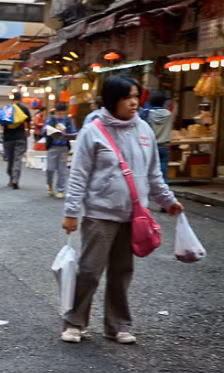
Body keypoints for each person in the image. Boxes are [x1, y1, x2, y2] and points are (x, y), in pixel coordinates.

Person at [60, 75, 183, 345]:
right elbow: (78, 175)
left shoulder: (144, 130)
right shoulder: (92, 131)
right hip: (100, 215)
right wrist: (71, 212)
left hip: (133, 216)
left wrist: (168, 200)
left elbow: (154, 174)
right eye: (127, 97)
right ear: (112, 100)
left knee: (122, 271)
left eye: (136, 97)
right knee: (89, 271)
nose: (133, 102)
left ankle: (117, 325)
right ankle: (75, 322)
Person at [44, 102, 77, 199]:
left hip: (64, 148)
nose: (60, 115)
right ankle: (49, 185)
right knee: (50, 169)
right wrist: (47, 131)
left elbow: (73, 132)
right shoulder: (51, 120)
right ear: (55, 112)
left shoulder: (67, 121)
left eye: (62, 113)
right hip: (52, 147)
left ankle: (60, 190)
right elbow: (44, 131)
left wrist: (69, 135)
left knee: (62, 170)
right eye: (59, 113)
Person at [141, 91, 172, 185]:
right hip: (164, 145)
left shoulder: (147, 114)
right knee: (163, 169)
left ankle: (150, 187)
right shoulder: (168, 114)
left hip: (150, 145)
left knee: (149, 170)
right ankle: (163, 186)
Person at [2, 92, 30, 189]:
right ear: (21, 99)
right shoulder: (25, 109)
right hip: (20, 137)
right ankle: (15, 179)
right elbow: (28, 122)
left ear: (12, 99)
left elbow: (2, 123)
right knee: (17, 159)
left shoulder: (7, 109)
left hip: (8, 138)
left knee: (10, 159)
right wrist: (28, 131)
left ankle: (11, 178)